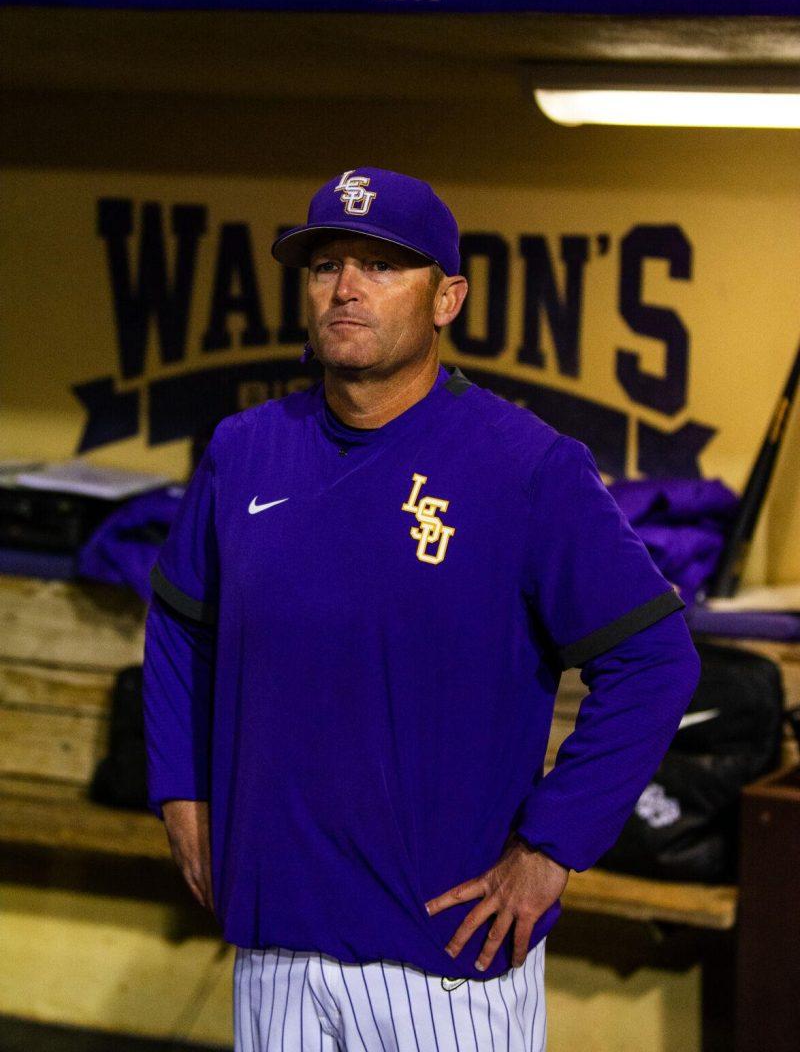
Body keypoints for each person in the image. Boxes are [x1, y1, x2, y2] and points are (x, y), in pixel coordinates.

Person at [142, 166, 701, 1051]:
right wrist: (181, 791)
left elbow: (656, 659)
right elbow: (179, 623)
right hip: (274, 939)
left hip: (443, 957)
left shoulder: (526, 466)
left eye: (382, 265)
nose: (347, 287)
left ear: (447, 298)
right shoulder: (246, 450)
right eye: (326, 264)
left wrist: (551, 849)